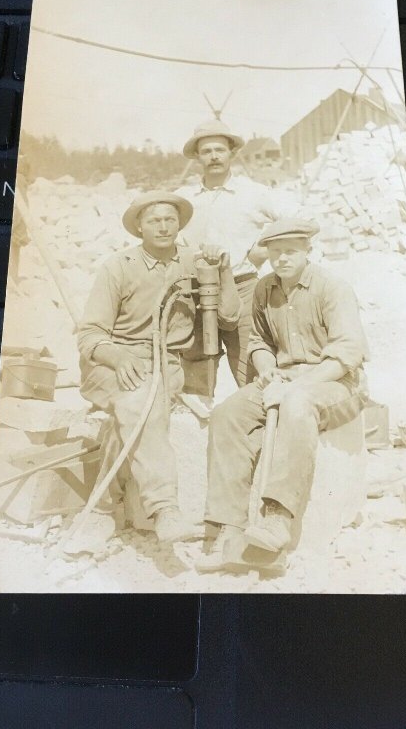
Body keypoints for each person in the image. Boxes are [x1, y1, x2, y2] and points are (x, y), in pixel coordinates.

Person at [197, 218, 369, 572]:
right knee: (227, 414)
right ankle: (226, 527)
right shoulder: (263, 289)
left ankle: (277, 517)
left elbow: (347, 353)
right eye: (275, 253)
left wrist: (296, 386)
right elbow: (259, 342)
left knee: (296, 403)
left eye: (290, 251)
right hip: (284, 379)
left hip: (336, 384)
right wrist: (266, 370)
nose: (282, 259)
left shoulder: (332, 288)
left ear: (308, 250)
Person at [77, 191, 240, 545]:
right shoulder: (118, 267)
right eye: (154, 220)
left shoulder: (194, 264)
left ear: (180, 223)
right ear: (139, 227)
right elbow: (89, 335)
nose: (164, 226)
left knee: (134, 416)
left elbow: (228, 317)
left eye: (170, 219)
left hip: (168, 363)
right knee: (139, 404)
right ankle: (165, 509)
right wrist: (119, 359)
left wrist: (223, 271)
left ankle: (106, 509)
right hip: (114, 361)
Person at [176, 119, 301, 390]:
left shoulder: (253, 193)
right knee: (195, 370)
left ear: (232, 152)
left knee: (252, 367)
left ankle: (258, 427)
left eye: (219, 150)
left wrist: (264, 249)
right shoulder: (184, 199)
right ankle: (201, 426)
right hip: (195, 292)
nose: (214, 156)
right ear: (197, 156)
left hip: (243, 288)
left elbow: (297, 218)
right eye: (207, 151)